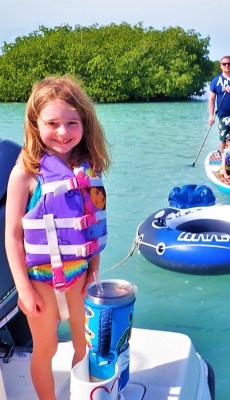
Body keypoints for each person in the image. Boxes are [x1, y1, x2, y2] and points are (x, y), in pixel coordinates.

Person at [5, 75, 111, 400]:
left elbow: (91, 226)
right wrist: (22, 289)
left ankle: (80, 394)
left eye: (71, 123)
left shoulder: (89, 169)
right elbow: (11, 235)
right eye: (52, 123)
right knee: (45, 349)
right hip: (40, 281)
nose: (63, 133)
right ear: (35, 123)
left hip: (80, 276)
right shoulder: (25, 170)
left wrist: (94, 270)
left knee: (84, 344)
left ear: (84, 123)